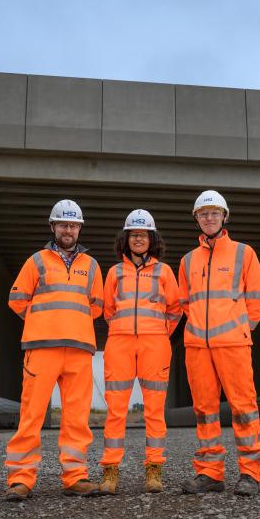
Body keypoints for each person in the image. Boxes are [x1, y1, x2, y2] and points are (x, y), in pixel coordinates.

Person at [4, 199, 103, 501]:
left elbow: (96, 306)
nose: (68, 230)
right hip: (41, 348)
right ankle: (21, 479)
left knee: (77, 418)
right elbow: (17, 299)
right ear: (53, 227)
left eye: (73, 225)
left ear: (80, 228)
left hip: (78, 349)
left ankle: (75, 477)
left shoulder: (92, 265)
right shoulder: (36, 261)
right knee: (31, 415)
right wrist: (43, 321)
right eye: (63, 224)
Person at [178, 190, 260, 496]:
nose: (209, 218)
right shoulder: (188, 260)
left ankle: (253, 473)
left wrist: (241, 328)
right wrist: (201, 330)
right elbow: (184, 303)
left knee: (244, 410)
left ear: (224, 217)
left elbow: (258, 300)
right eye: (203, 214)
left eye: (215, 213)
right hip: (198, 348)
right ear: (196, 219)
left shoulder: (244, 254)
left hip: (233, 345)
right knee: (205, 412)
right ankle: (210, 472)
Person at [99, 209, 182, 494]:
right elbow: (108, 311)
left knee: (155, 411)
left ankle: (154, 470)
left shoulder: (164, 272)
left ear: (151, 239)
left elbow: (175, 309)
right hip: (120, 343)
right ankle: (110, 472)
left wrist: (158, 332)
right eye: (133, 235)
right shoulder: (114, 272)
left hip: (155, 345)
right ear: (126, 239)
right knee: (115, 412)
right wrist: (126, 329)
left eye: (143, 235)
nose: (138, 239)